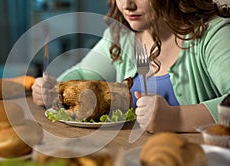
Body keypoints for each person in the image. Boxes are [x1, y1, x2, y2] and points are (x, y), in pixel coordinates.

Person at [32, 0, 230, 133]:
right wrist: (53, 89)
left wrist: (176, 118)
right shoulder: (122, 35)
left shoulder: (212, 33)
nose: (127, 5)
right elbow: (83, 73)